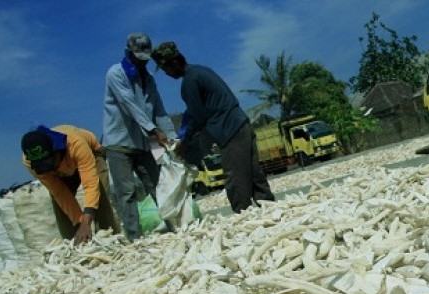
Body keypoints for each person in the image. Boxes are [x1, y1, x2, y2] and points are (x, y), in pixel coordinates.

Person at [151, 41, 275, 213]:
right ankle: (269, 206)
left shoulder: (189, 82)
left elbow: (198, 117)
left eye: (166, 69)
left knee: (236, 177)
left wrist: (186, 142)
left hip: (229, 130)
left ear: (174, 63)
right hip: (241, 123)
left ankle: (243, 213)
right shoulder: (201, 70)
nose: (166, 74)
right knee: (253, 171)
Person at [103, 32, 176, 240]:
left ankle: (174, 227)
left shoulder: (149, 78)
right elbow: (129, 106)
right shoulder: (115, 74)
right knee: (126, 193)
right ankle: (135, 238)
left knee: (158, 183)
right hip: (120, 142)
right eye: (139, 58)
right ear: (130, 54)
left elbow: (158, 108)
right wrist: (154, 130)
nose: (143, 63)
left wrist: (170, 135)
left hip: (145, 141)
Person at [21, 125, 120, 244]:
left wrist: (86, 223)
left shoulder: (75, 144)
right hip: (63, 170)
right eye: (43, 167)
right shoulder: (30, 162)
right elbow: (60, 193)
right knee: (60, 205)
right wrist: (80, 223)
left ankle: (109, 239)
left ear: (56, 151)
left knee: (99, 196)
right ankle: (75, 243)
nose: (49, 169)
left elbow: (90, 184)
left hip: (91, 154)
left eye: (49, 163)